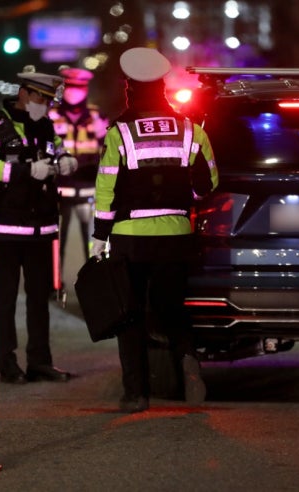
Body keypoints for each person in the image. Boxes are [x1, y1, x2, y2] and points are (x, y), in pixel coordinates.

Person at [91, 47, 219, 413]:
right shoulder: (191, 130)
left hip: (131, 237)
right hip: (176, 234)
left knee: (129, 314)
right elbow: (208, 182)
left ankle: (136, 394)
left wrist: (100, 236)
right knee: (172, 308)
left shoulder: (119, 133)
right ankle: (188, 360)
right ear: (163, 87)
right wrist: (182, 201)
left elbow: (106, 188)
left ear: (130, 89)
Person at [0, 71, 78, 384]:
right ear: (22, 93)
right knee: (5, 300)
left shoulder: (45, 125)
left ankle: (40, 362)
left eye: (48, 100)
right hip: (7, 226)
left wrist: (66, 159)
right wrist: (25, 170)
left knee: (39, 299)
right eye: (39, 98)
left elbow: (57, 149)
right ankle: (8, 365)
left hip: (42, 228)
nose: (44, 105)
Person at [49, 67, 108, 267]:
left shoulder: (96, 115)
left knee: (93, 240)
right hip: (58, 188)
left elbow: (108, 149)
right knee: (56, 240)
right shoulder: (52, 115)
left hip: (88, 188)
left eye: (79, 87)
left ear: (86, 90)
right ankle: (53, 283)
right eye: (71, 87)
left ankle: (94, 280)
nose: (74, 92)